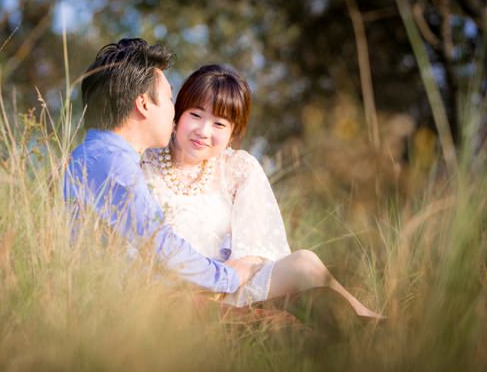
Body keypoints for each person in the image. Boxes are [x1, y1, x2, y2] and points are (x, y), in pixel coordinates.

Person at [140, 64, 382, 318]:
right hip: (165, 291)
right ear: (178, 115)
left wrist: (216, 286)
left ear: (232, 133)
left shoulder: (238, 167)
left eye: (219, 124)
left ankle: (370, 322)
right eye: (196, 115)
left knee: (304, 262)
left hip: (230, 288)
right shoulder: (144, 162)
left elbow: (253, 254)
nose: (204, 131)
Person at [63, 38, 241, 296]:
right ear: (143, 104)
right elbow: (160, 246)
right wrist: (231, 278)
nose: (174, 112)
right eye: (169, 98)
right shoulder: (111, 162)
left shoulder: (99, 156)